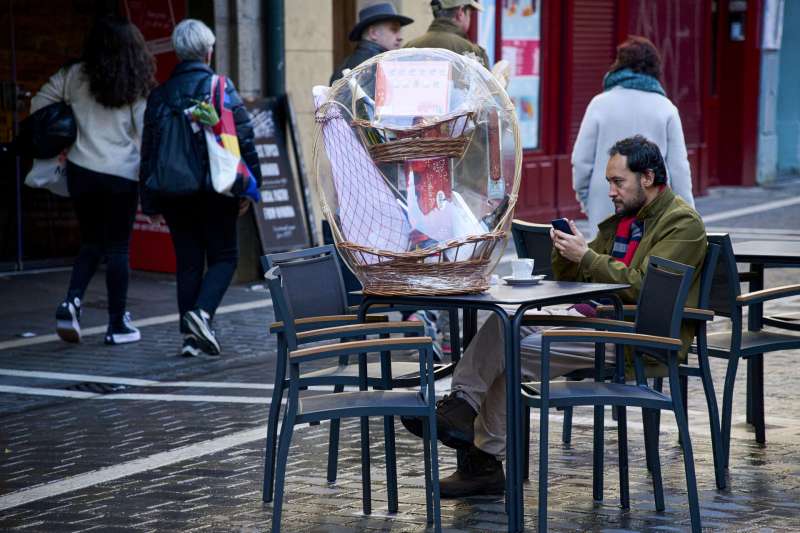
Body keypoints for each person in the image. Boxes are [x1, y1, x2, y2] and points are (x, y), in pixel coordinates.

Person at [402, 135, 707, 497]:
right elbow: (577, 279)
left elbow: (644, 290)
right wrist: (566, 250)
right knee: (505, 323)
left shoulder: (683, 224)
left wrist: (587, 257)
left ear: (648, 177)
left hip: (638, 338)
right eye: (609, 182)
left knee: (510, 353)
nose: (611, 191)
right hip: (600, 321)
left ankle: (480, 457)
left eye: (618, 181)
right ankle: (463, 410)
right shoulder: (626, 221)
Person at [139, 19, 262, 357]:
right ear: (208, 52)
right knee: (225, 257)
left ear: (179, 53)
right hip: (216, 189)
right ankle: (202, 314)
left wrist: (148, 202)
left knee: (189, 263)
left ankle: (191, 339)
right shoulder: (220, 87)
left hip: (174, 193)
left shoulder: (160, 95)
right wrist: (250, 187)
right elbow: (245, 139)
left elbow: (147, 152)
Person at [33, 17, 155, 345]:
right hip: (121, 175)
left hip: (80, 171)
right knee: (117, 248)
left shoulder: (73, 76)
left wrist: (63, 136)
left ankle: (71, 302)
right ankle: (117, 325)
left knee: (90, 242)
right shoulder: (134, 82)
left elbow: (39, 104)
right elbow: (146, 134)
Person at [572, 36, 695, 239]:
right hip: (652, 202)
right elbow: (679, 167)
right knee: (648, 261)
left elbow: (581, 160)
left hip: (605, 199)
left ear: (619, 65)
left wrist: (587, 200)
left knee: (601, 261)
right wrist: (687, 213)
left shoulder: (599, 104)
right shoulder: (666, 108)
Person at [330, 2, 413, 84]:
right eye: (394, 30)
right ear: (373, 33)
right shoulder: (378, 67)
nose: (400, 37)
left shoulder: (344, 65)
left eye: (399, 31)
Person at [404, 0, 489, 69]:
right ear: (460, 12)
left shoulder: (408, 48)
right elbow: (485, 89)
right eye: (469, 14)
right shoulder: (472, 51)